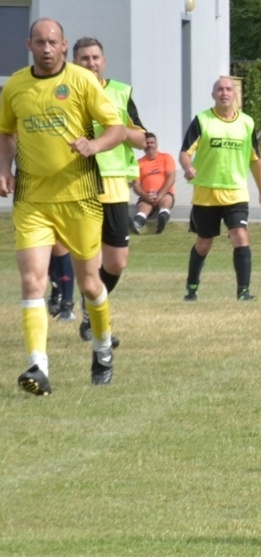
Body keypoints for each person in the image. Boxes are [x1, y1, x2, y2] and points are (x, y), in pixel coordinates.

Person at [0, 18, 125, 395]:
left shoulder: (83, 81)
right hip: (33, 199)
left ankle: (103, 350)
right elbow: (6, 131)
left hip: (80, 197)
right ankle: (38, 365)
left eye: (53, 41)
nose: (47, 48)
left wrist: (94, 145)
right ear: (29, 45)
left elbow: (115, 128)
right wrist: (4, 169)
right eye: (40, 42)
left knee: (90, 284)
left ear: (63, 44)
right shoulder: (15, 86)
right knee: (32, 279)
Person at [73, 37, 147, 344]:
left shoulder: (121, 92)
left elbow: (143, 139)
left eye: (94, 58)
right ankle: (96, 323)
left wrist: (117, 130)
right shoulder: (67, 94)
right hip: (79, 183)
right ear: (74, 63)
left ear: (104, 61)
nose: (90, 63)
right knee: (84, 257)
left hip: (115, 183)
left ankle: (90, 307)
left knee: (116, 262)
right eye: (84, 59)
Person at [180, 75, 261, 301]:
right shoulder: (202, 120)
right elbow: (184, 153)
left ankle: (243, 291)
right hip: (206, 193)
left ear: (235, 94)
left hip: (236, 192)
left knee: (240, 236)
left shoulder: (246, 123)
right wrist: (188, 167)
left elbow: (254, 158)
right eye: (220, 89)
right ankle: (191, 288)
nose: (224, 93)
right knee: (204, 243)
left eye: (229, 89)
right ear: (213, 95)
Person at [133, 131, 177, 234]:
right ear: (143, 145)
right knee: (143, 208)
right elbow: (136, 185)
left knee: (166, 201)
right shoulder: (138, 163)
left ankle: (161, 221)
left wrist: (160, 195)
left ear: (156, 144)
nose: (149, 145)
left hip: (164, 193)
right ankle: (137, 224)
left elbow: (171, 178)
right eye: (147, 143)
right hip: (146, 196)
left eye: (152, 142)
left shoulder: (166, 157)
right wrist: (145, 196)